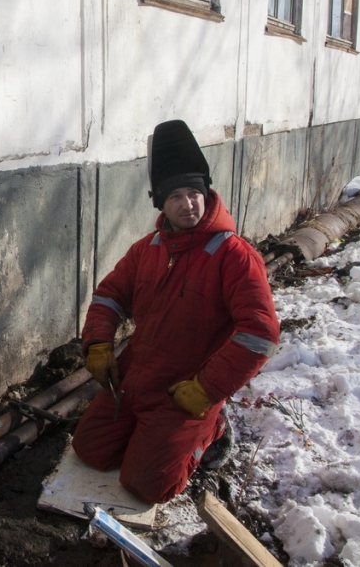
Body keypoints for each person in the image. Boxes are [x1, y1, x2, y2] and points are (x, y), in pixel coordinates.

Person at [72, 119, 280, 504]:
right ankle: (149, 437)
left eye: (194, 193)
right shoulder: (148, 248)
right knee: (90, 451)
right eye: (176, 197)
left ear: (206, 194)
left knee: (146, 485)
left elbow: (260, 333)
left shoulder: (232, 255)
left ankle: (211, 430)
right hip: (138, 375)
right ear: (160, 204)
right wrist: (98, 343)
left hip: (186, 387)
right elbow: (109, 295)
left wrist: (207, 389)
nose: (188, 204)